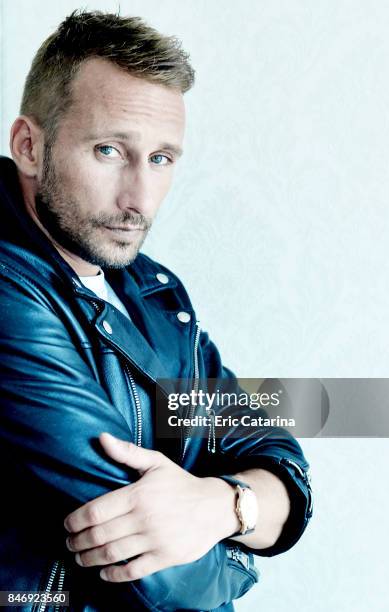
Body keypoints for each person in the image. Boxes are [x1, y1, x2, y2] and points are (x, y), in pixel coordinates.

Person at [0, 10, 313, 611]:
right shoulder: (9, 290)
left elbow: (265, 440)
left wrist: (224, 506)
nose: (140, 198)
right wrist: (244, 544)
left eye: (163, 158)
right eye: (110, 149)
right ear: (29, 146)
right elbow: (154, 570)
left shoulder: (152, 290)